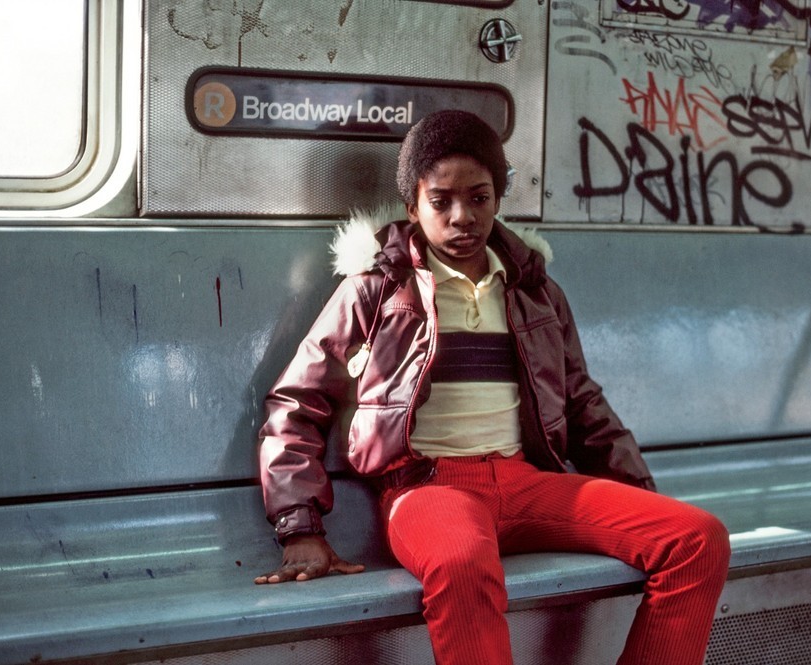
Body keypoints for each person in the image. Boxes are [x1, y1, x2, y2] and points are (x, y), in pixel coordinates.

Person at [255, 109, 730, 665]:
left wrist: (635, 494)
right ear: (413, 206)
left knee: (697, 540)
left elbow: (580, 401)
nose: (463, 217)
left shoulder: (533, 290)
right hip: (429, 489)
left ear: (498, 200)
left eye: (479, 198)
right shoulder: (376, 290)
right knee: (461, 567)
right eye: (441, 201)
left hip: (525, 482)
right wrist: (299, 528)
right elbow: (295, 403)